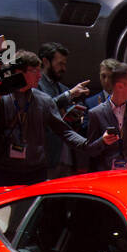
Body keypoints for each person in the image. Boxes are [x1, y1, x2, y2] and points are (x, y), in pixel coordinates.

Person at [0, 50, 90, 186]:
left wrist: (88, 144)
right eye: (35, 71)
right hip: (6, 169)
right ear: (20, 72)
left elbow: (64, 131)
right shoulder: (1, 98)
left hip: (36, 171)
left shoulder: (44, 100)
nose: (39, 75)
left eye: (40, 70)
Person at [84, 62, 127, 171]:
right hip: (106, 176)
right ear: (120, 86)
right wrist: (102, 141)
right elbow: (90, 150)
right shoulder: (96, 113)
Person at [36, 42, 91, 178]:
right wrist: (70, 95)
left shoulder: (64, 88)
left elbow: (68, 126)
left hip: (67, 158)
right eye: (60, 64)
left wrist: (76, 118)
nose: (63, 68)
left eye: (64, 64)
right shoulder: (36, 86)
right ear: (45, 61)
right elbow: (45, 109)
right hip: (47, 157)